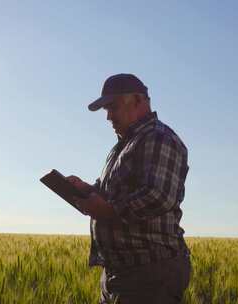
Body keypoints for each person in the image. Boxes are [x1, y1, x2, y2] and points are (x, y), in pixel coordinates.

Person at [66, 74, 191, 303]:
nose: (108, 117)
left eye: (112, 107)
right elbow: (113, 195)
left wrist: (106, 210)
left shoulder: (159, 137)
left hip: (149, 273)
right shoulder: (123, 146)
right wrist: (87, 190)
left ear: (138, 100)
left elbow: (158, 196)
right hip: (121, 273)